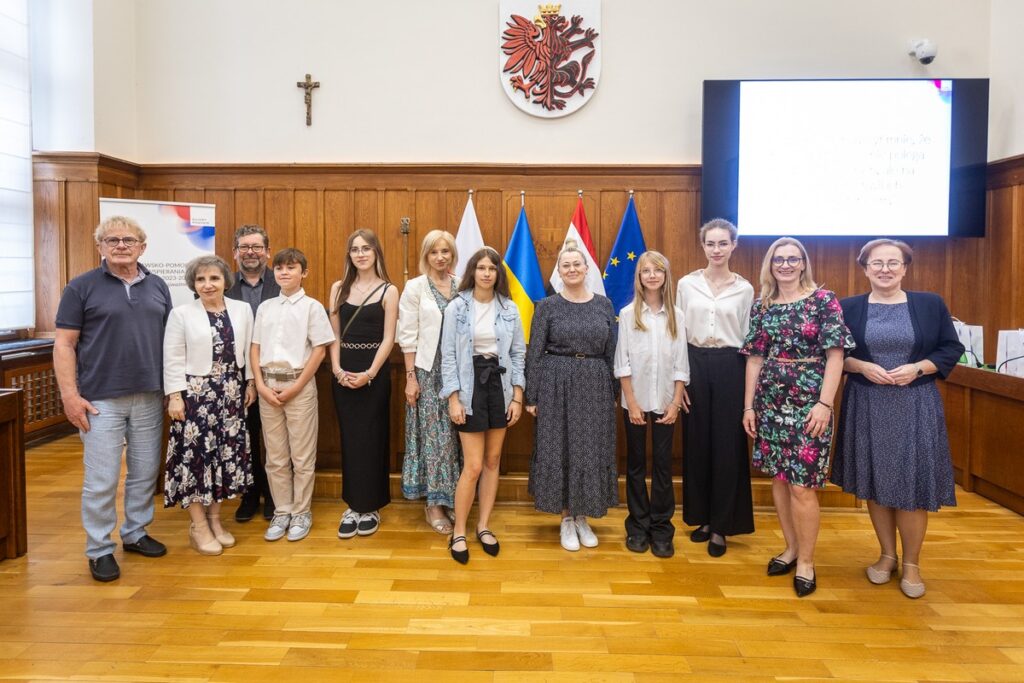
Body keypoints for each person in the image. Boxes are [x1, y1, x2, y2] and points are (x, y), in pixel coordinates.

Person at [831, 239, 964, 599]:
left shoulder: (929, 303)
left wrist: (919, 368)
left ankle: (912, 564)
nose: (885, 269)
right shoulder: (848, 308)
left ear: (905, 268)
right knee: (876, 481)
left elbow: (952, 348)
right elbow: (833, 354)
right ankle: (886, 556)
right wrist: (861, 366)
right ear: (865, 269)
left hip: (915, 403)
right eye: (877, 263)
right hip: (867, 402)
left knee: (912, 488)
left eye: (893, 263)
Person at [54, 215, 172, 582]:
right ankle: (99, 549)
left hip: (150, 395)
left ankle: (135, 532)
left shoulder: (157, 286)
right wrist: (70, 396)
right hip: (99, 400)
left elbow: (170, 340)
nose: (121, 246)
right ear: (100, 247)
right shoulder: (81, 287)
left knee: (143, 473)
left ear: (142, 246)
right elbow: (64, 344)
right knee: (102, 478)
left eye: (128, 240)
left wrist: (172, 390)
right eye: (112, 240)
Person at [741, 237, 854, 597]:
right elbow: (755, 359)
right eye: (779, 260)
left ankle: (806, 560)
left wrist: (825, 403)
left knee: (802, 485)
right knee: (778, 478)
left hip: (810, 403)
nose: (785, 265)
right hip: (770, 401)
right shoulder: (762, 306)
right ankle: (790, 548)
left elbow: (836, 356)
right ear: (770, 265)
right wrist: (749, 406)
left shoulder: (824, 300)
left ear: (803, 263)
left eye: (792, 259)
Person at [526, 242, 618, 552]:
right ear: (559, 271)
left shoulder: (604, 305)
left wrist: (614, 392)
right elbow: (535, 352)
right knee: (561, 447)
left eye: (577, 264)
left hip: (595, 384)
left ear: (586, 267)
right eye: (566, 265)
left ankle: (583, 517)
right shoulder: (547, 306)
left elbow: (612, 352)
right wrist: (532, 395)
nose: (572, 269)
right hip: (555, 382)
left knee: (589, 449)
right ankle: (566, 519)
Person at [163, 255, 255, 555]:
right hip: (195, 396)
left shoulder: (242, 309)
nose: (207, 284)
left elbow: (250, 349)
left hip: (230, 393)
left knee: (222, 459)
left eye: (214, 278)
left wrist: (250, 382)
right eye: (201, 279)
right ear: (193, 283)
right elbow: (173, 355)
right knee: (196, 460)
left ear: (225, 281)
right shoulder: (181, 314)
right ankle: (198, 526)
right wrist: (175, 395)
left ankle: (216, 521)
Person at [440, 247, 525, 563]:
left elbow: (517, 355)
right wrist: (453, 398)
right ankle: (458, 531)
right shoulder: (457, 308)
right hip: (469, 385)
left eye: (492, 268)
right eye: (481, 268)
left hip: (500, 386)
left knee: (492, 461)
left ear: (498, 274)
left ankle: (484, 526)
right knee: (473, 465)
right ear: (472, 271)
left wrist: (517, 396)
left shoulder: (510, 309)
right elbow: (448, 356)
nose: (487, 273)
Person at [676, 218, 756, 557]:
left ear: (733, 245)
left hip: (730, 367)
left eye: (723, 243)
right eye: (711, 243)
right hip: (694, 362)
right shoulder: (686, 284)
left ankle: (722, 525)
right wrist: (678, 380)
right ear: (703, 245)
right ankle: (703, 518)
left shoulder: (746, 288)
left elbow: (749, 336)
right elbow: (677, 331)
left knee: (727, 447)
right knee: (697, 443)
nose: (717, 249)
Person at [251, 248, 335, 543]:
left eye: (291, 267)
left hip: (298, 387)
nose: (284, 272)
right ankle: (282, 510)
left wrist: (296, 386)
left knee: (301, 455)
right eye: (279, 268)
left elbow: (320, 349)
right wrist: (260, 385)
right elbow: (255, 348)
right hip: (268, 387)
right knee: (274, 457)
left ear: (304, 273)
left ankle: (301, 511)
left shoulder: (312, 307)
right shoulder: (265, 308)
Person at [614, 251, 689, 559]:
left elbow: (681, 362)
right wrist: (631, 403)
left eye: (658, 270)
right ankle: (637, 526)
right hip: (635, 399)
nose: (652, 275)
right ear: (639, 277)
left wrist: (675, 401)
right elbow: (623, 363)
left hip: (665, 401)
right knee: (635, 464)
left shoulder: (677, 315)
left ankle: (661, 529)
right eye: (646, 271)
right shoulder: (629, 314)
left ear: (665, 276)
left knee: (661, 465)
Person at [329, 229, 399, 540]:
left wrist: (369, 373)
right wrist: (336, 369)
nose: (360, 254)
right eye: (355, 249)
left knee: (373, 438)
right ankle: (352, 505)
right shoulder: (337, 289)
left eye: (366, 248)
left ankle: (371, 506)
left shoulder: (389, 290)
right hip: (343, 372)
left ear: (376, 253)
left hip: (374, 373)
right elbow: (333, 335)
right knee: (350, 439)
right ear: (350, 255)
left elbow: (389, 338)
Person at [397, 230, 462, 534]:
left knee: (454, 435)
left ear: (452, 255)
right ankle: (433, 504)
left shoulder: (463, 285)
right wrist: (411, 377)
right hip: (426, 370)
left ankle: (451, 496)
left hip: (458, 372)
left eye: (445, 251)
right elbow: (407, 335)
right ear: (426, 255)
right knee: (434, 438)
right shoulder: (415, 288)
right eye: (434, 252)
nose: (440, 257)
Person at [225, 224, 279, 523]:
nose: (251, 252)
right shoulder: (224, 286)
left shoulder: (282, 280)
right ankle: (249, 494)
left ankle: (274, 495)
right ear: (235, 253)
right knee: (245, 439)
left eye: (257, 247)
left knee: (273, 441)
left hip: (276, 376)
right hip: (236, 377)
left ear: (267, 252)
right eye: (244, 247)